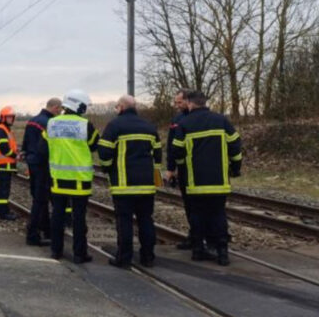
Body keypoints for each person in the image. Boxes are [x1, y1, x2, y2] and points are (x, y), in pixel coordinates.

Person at [171, 90, 242, 266]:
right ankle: (222, 252)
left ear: (190, 103)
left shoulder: (185, 123)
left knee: (197, 214)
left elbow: (177, 151)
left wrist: (181, 168)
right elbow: (235, 146)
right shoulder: (221, 120)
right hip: (219, 179)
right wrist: (235, 168)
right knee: (218, 214)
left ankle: (197, 250)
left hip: (195, 180)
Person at [98, 95, 161, 268]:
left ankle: (124, 258)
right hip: (147, 185)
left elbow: (104, 152)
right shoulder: (149, 127)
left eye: (117, 106)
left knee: (124, 221)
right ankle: (148, 257)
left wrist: (108, 168)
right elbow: (157, 154)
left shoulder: (114, 126)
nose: (116, 109)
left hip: (123, 184)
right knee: (146, 220)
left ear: (122, 107)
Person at [43, 90, 100, 263]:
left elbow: (44, 145)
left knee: (58, 215)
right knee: (79, 218)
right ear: (78, 105)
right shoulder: (85, 125)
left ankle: (56, 251)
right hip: (80, 180)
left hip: (58, 178)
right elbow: (94, 145)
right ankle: (79, 253)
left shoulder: (52, 123)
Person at [20, 97, 63, 246]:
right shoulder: (49, 123)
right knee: (40, 199)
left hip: (33, 162)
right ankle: (33, 234)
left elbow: (25, 142)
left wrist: (25, 152)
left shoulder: (32, 120)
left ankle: (46, 230)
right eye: (60, 109)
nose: (60, 112)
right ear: (55, 107)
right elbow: (47, 147)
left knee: (40, 197)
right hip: (43, 163)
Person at [165, 89, 194, 250]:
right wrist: (171, 168)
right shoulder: (176, 119)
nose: (177, 105)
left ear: (189, 101)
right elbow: (171, 145)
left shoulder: (198, 118)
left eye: (180, 102)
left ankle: (203, 237)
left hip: (197, 167)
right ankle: (194, 235)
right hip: (182, 168)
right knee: (188, 204)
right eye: (175, 102)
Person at [0, 106, 19, 221]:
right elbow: (4, 149)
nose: (11, 119)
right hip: (3, 165)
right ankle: (3, 213)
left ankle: (4, 210)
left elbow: (10, 147)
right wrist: (15, 155)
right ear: (3, 117)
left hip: (6, 165)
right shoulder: (0, 130)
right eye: (9, 117)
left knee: (5, 190)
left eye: (12, 117)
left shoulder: (6, 130)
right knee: (3, 190)